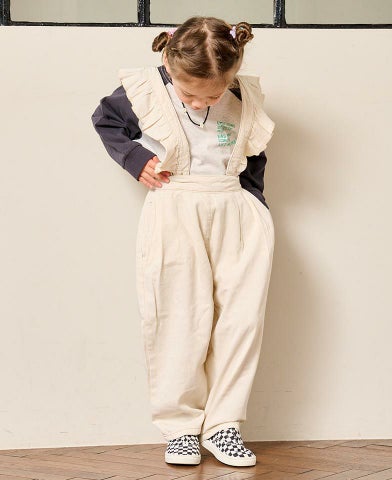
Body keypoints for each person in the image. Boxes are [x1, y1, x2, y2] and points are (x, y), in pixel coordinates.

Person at [91, 16, 275, 468]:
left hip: (236, 209)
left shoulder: (243, 96)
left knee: (241, 320)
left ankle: (224, 423)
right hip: (175, 205)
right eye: (189, 94)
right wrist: (135, 158)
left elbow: (254, 155)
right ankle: (181, 428)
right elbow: (106, 120)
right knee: (177, 314)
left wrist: (256, 204)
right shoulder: (147, 90)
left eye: (210, 96)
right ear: (170, 66)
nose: (198, 103)